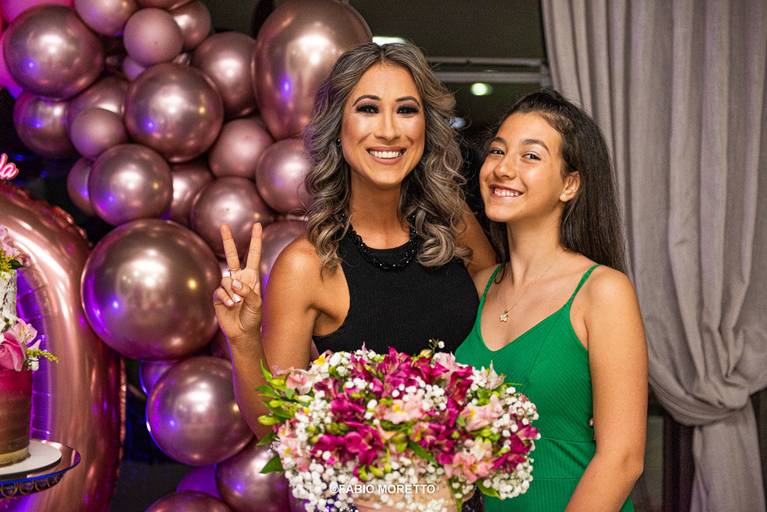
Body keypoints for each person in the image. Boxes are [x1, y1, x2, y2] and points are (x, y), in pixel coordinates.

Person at [213, 42, 495, 439]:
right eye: (367, 109)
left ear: (426, 128)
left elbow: (510, 316)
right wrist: (243, 341)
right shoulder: (306, 265)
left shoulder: (455, 225)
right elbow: (278, 429)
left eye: (406, 110)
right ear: (337, 128)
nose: (389, 131)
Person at [455, 90, 647, 511]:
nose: (503, 168)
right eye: (497, 151)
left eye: (530, 156)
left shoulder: (603, 291)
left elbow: (623, 459)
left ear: (570, 184)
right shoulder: (477, 287)